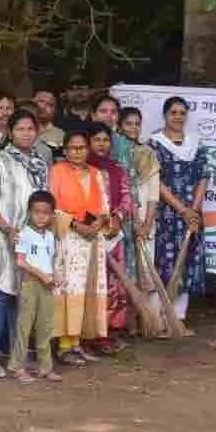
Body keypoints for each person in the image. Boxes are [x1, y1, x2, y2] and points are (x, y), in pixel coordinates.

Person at [0, 109, 47, 379]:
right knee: (0, 295)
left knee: (23, 298)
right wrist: (7, 228)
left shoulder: (41, 164)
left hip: (32, 239)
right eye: (20, 129)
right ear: (10, 132)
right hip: (4, 236)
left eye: (30, 128)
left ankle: (17, 355)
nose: (25, 133)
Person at [50, 129, 111, 363]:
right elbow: (51, 207)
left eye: (82, 147)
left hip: (93, 241)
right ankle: (65, 346)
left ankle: (78, 343)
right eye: (73, 148)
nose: (78, 152)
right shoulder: (57, 172)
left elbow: (105, 206)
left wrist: (99, 223)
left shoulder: (96, 174)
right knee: (68, 292)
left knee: (86, 291)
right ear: (65, 151)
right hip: (68, 240)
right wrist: (76, 225)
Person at [149, 96, 208, 327]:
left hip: (191, 215)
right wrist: (181, 209)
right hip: (166, 213)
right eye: (173, 112)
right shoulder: (154, 144)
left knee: (186, 262)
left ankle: (179, 317)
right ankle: (159, 317)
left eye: (182, 113)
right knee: (164, 262)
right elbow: (156, 180)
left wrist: (193, 210)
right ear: (165, 115)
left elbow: (203, 177)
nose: (178, 117)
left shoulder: (196, 143)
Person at [89, 123, 132, 344]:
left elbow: (126, 197)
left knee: (114, 283)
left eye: (105, 140)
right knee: (93, 283)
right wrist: (96, 222)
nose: (102, 144)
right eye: (97, 139)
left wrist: (117, 218)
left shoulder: (117, 168)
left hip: (113, 234)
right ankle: (90, 332)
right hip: (88, 233)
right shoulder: (84, 169)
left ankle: (109, 331)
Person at [11, 192, 61, 383]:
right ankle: (18, 367)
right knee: (24, 326)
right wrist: (41, 274)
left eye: (45, 212)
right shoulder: (24, 234)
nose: (41, 216)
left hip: (46, 285)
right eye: (37, 212)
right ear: (30, 212)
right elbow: (21, 262)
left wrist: (55, 274)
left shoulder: (49, 236)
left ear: (52, 215)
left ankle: (45, 367)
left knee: (45, 326)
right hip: (30, 284)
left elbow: (52, 260)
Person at [119, 107, 161, 302]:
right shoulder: (114, 153)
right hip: (120, 218)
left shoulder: (148, 153)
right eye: (128, 123)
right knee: (121, 269)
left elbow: (153, 193)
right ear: (120, 126)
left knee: (145, 269)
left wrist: (146, 224)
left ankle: (145, 318)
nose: (134, 128)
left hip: (144, 218)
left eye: (137, 124)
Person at [31, 90, 64, 166]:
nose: (43, 106)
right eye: (41, 101)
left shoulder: (60, 135)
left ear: (55, 111)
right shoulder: (18, 128)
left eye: (50, 105)